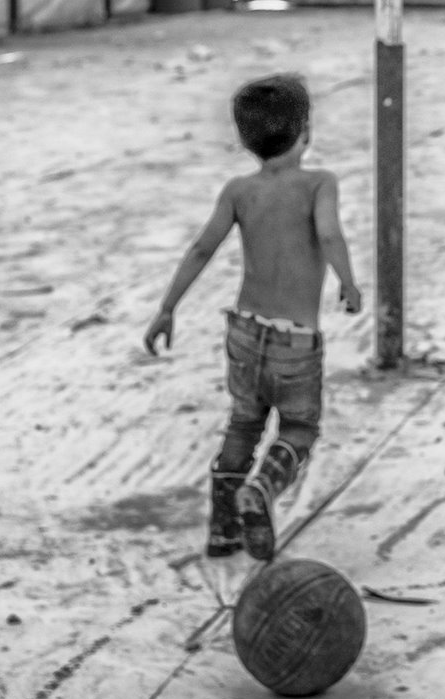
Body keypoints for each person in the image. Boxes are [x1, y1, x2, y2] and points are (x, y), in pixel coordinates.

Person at [143, 73, 361, 566]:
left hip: (243, 331)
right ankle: (261, 490)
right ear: (305, 130)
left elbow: (202, 248)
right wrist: (348, 283)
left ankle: (222, 530)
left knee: (243, 423)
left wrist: (167, 308)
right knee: (299, 427)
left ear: (245, 141)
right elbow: (329, 235)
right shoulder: (319, 183)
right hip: (295, 340)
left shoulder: (238, 191)